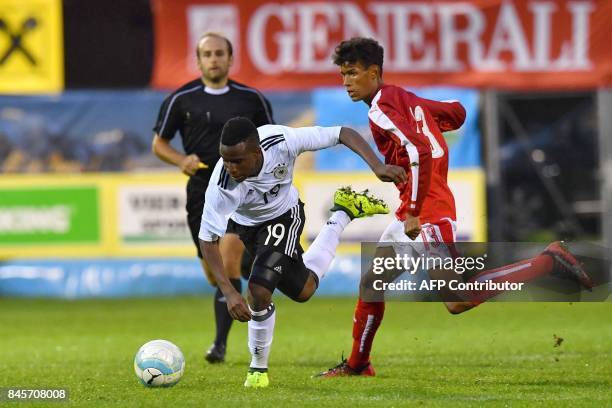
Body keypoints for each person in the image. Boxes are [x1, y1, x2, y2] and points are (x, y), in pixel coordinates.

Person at [316, 37, 594, 377]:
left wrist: (415, 209)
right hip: (416, 205)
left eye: (353, 73)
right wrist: (429, 122)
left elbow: (418, 150)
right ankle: (358, 365)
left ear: (374, 72)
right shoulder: (402, 97)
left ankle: (547, 261)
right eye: (343, 74)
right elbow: (457, 112)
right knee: (373, 282)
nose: (346, 82)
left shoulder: (381, 108)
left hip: (426, 209)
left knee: (457, 299)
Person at [198, 117, 407, 388]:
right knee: (304, 290)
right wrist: (228, 292)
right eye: (225, 159)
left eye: (237, 161)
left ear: (257, 152)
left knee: (258, 291)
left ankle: (257, 372)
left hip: (284, 216)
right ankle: (343, 213)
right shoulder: (222, 185)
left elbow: (342, 132)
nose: (230, 167)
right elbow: (208, 240)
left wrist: (377, 166)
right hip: (246, 226)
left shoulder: (282, 141)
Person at [152, 32, 274, 364]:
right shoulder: (182, 99)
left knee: (229, 256)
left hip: (241, 189)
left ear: (231, 59)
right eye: (208, 54)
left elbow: (271, 142)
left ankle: (219, 345)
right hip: (201, 190)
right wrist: (181, 160)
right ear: (199, 60)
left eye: (220, 53)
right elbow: (158, 144)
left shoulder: (252, 99)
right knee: (214, 271)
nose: (214, 59)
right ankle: (254, 268)